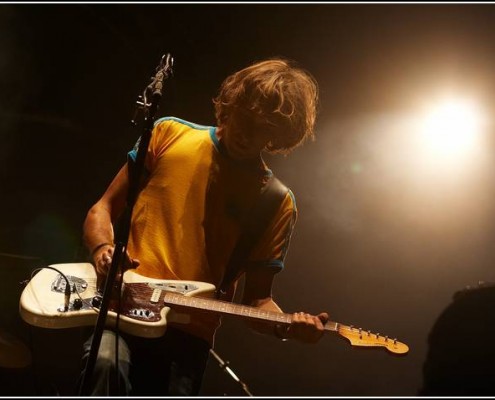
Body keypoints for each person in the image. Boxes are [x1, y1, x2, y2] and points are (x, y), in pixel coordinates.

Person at [79, 57, 329, 396]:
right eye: (246, 118)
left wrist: (287, 327)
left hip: (187, 336)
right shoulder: (169, 133)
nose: (248, 134)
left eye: (264, 128)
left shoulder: (275, 200)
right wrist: (103, 250)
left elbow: (257, 300)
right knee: (105, 365)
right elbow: (103, 209)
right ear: (231, 104)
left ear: (278, 135)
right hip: (118, 311)